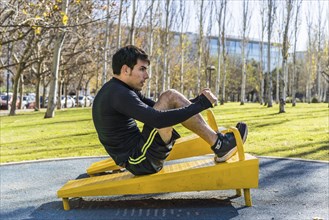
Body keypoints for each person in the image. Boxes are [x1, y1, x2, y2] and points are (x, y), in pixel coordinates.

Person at [92, 45, 248, 176]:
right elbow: (158, 119)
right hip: (139, 161)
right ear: (126, 69)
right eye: (142, 69)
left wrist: (195, 102)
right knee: (170, 95)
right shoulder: (119, 94)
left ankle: (219, 143)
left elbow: (163, 107)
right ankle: (219, 144)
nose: (147, 76)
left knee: (170, 97)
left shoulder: (118, 89)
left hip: (140, 154)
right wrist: (201, 104)